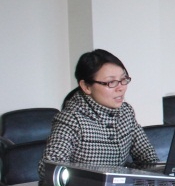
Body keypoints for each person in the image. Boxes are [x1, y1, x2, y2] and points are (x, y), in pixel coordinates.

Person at [39, 49, 157, 179]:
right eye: (111, 82)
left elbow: (148, 157)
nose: (121, 88)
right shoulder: (71, 119)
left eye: (123, 79)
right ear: (86, 86)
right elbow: (49, 169)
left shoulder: (125, 112)